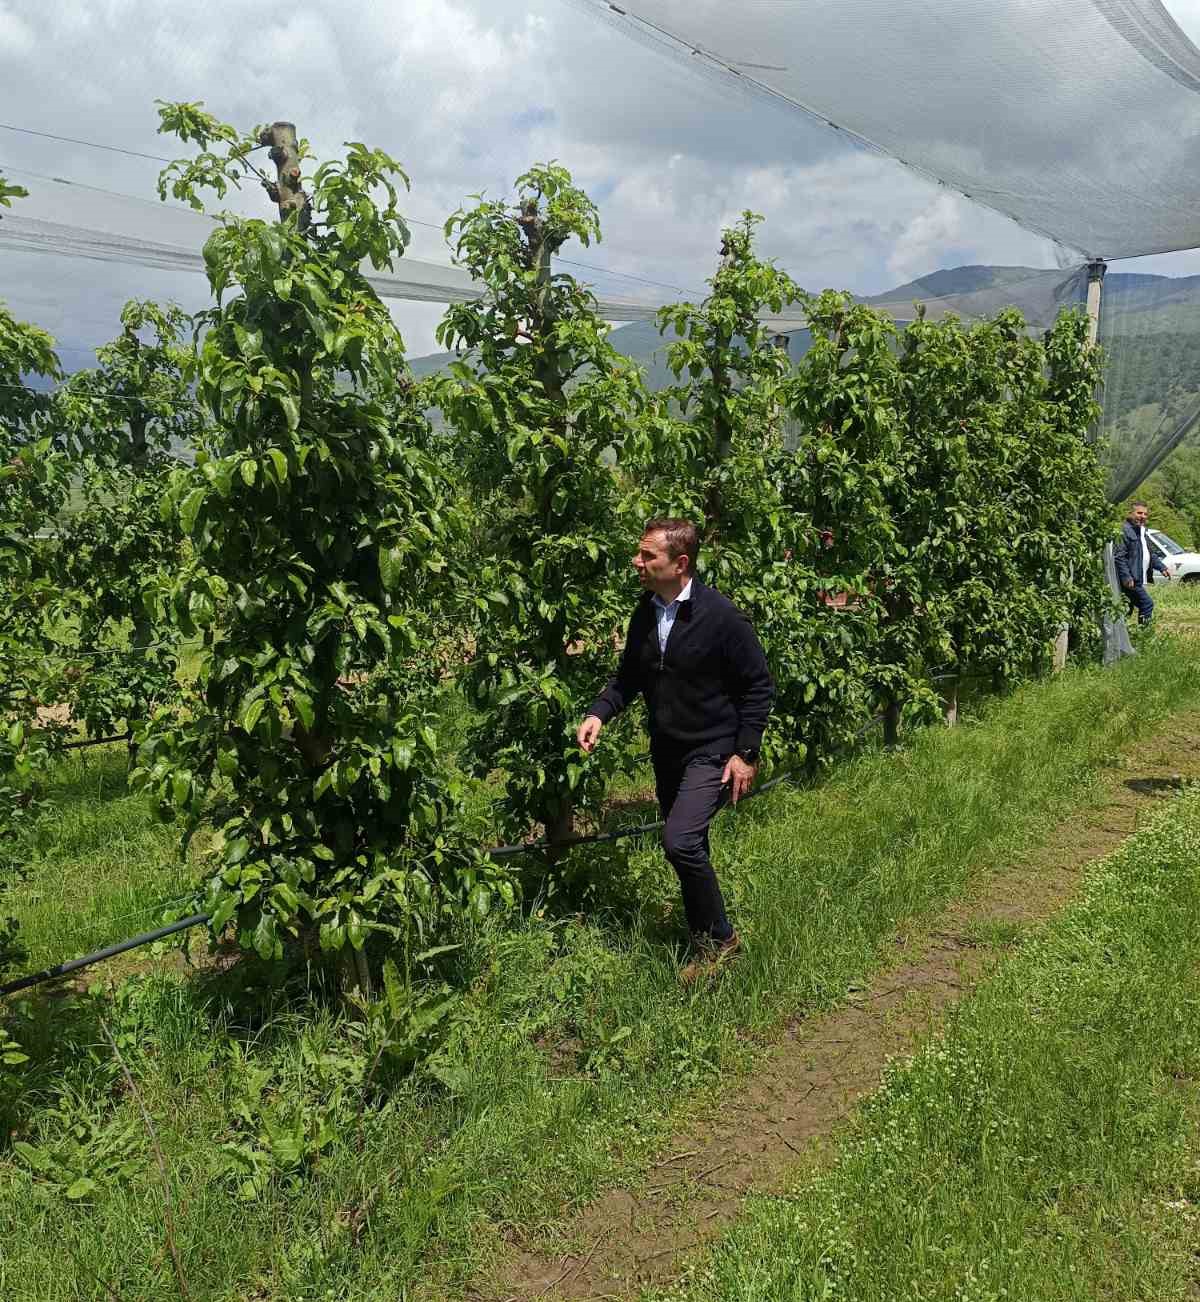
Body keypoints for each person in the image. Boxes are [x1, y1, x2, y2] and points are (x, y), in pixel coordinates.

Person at [576, 519, 774, 983]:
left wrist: (745, 753)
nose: (637, 562)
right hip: (668, 751)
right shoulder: (646, 613)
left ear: (680, 563)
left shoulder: (721, 617)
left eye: (648, 556)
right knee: (690, 846)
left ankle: (722, 939)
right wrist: (599, 713)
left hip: (713, 749)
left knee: (679, 841)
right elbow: (629, 676)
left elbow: (758, 686)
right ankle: (704, 941)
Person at [1115, 502, 1169, 625]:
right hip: (1130, 579)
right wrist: (1126, 576)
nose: (1143, 516)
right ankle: (1143, 633)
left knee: (1127, 607)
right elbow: (1119, 556)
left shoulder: (1141, 531)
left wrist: (1162, 567)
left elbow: (1149, 554)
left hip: (1137, 578)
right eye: (1139, 513)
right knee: (1147, 604)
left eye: (1145, 514)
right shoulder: (1125, 531)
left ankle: (1126, 633)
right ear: (1130, 513)